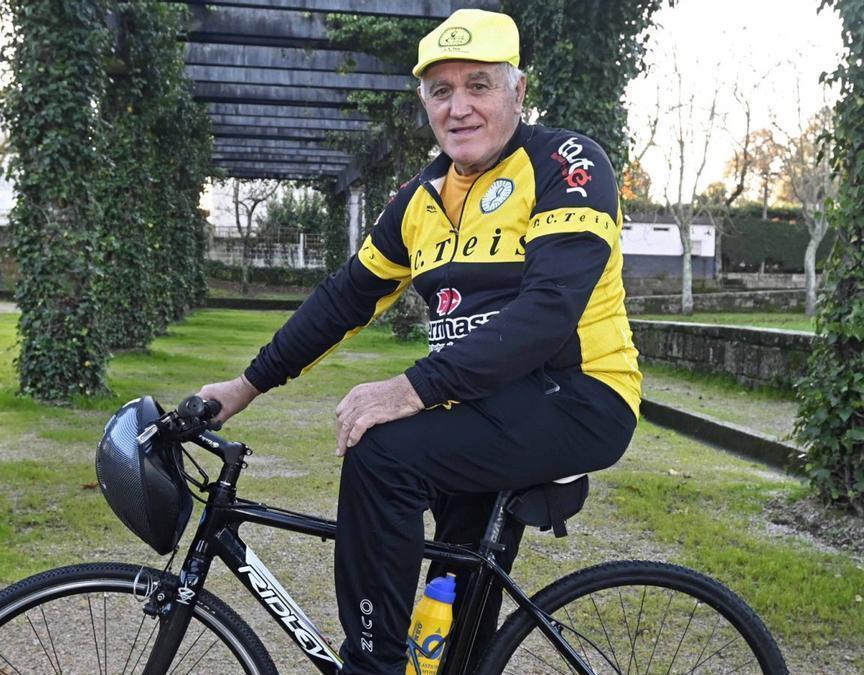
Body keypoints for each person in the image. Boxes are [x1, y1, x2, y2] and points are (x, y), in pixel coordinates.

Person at [198, 8, 641, 673]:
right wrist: (242, 387)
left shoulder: (564, 163)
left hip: (579, 396)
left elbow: (550, 311)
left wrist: (412, 388)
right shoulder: (417, 199)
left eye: (478, 85)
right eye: (441, 90)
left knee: (383, 452)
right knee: (455, 605)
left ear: (518, 91)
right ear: (424, 104)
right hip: (486, 400)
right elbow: (343, 300)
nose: (458, 106)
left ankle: (370, 663)